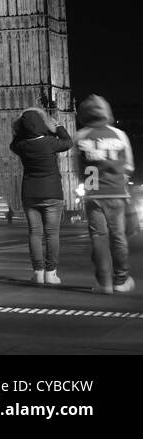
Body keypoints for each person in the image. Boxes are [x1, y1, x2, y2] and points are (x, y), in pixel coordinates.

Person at [73, 94, 135, 295]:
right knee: (118, 237)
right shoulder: (119, 135)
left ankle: (104, 282)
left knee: (99, 238)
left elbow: (77, 169)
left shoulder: (81, 136)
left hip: (93, 196)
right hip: (116, 193)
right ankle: (121, 280)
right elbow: (129, 167)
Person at [9, 107, 72, 285]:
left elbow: (13, 143)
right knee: (52, 234)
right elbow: (68, 142)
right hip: (52, 192)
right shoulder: (50, 142)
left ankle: (38, 272)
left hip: (30, 193)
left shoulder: (21, 145)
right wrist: (57, 125)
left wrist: (19, 129)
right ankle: (51, 273)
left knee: (34, 234)